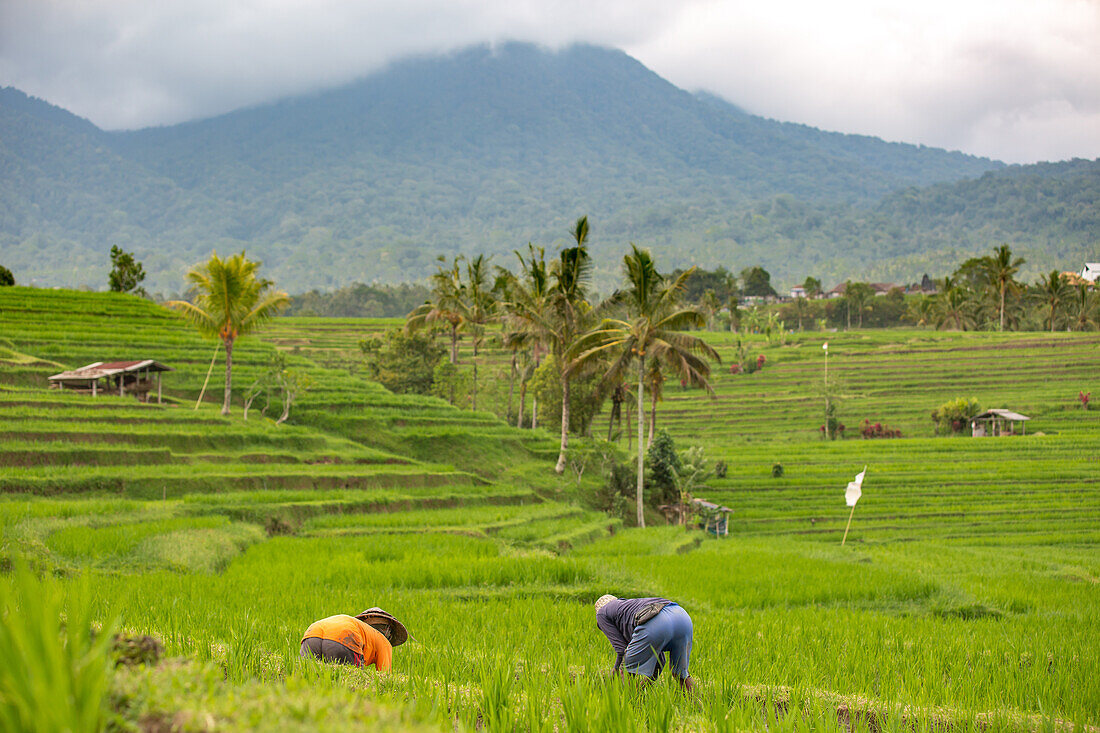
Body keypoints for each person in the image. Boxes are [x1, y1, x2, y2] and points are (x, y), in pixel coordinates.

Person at [594, 595, 693, 691]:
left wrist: (614, 674)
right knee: (681, 674)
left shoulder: (601, 614)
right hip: (681, 617)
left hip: (656, 622)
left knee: (626, 670)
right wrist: (641, 690)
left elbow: (621, 650)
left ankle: (628, 705)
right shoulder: (628, 608)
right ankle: (699, 703)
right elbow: (660, 662)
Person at [300, 607, 409, 670]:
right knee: (350, 684)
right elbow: (384, 677)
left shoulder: (358, 626)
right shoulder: (384, 641)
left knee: (309, 678)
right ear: (389, 630)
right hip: (344, 637)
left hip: (312, 633)